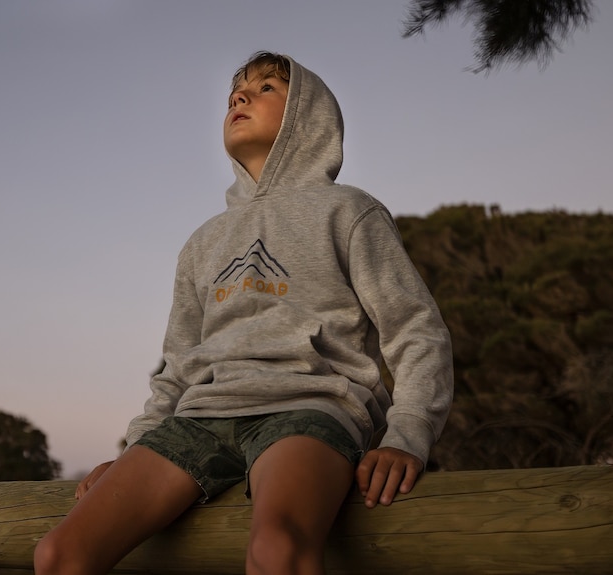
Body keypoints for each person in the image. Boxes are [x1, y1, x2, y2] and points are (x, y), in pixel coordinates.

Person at [34, 51, 453, 575]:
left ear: (306, 113)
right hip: (200, 417)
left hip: (309, 408)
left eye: (267, 88)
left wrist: (406, 434)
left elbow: (414, 328)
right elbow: (177, 365)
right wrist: (137, 449)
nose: (240, 97)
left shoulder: (348, 210)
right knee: (57, 554)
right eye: (236, 91)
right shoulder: (202, 242)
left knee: (277, 549)